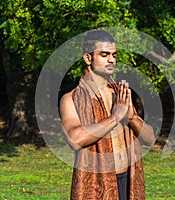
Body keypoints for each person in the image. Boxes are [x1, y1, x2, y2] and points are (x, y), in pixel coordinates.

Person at [59, 29, 155, 200]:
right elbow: (75, 139)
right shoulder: (71, 99)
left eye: (114, 55)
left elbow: (150, 139)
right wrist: (116, 117)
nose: (111, 60)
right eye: (104, 55)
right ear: (88, 58)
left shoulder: (120, 94)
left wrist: (132, 117)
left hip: (129, 180)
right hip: (96, 185)